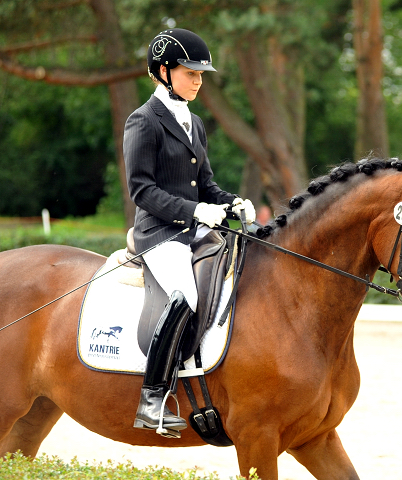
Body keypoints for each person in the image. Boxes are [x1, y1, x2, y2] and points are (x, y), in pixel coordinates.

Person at [123, 28, 256, 437]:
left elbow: (206, 183)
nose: (199, 79)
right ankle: (152, 398)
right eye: (190, 71)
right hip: (159, 234)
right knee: (187, 294)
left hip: (194, 231)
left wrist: (232, 202)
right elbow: (142, 191)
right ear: (163, 71)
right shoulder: (143, 121)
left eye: (201, 73)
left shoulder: (194, 122)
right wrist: (196, 209)